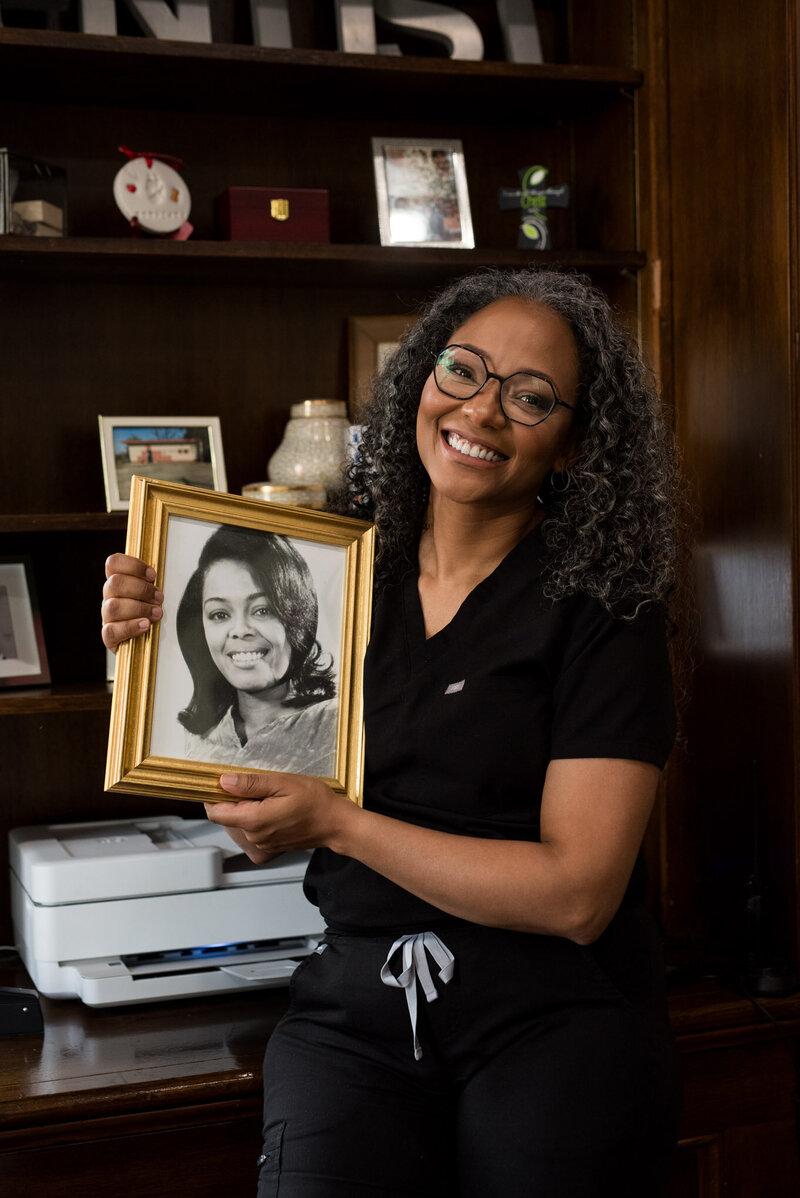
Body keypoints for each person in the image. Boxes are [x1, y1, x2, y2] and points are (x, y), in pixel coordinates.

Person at [101, 267, 684, 1198]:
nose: (482, 411)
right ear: (421, 380)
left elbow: (577, 895)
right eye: (463, 370)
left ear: (576, 445)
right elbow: (247, 785)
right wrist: (142, 644)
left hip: (554, 1017)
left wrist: (338, 825)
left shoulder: (608, 611)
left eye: (530, 397)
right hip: (356, 1009)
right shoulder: (333, 577)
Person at [174, 523, 337, 776]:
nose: (240, 630)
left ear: (297, 618)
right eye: (219, 614)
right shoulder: (199, 737)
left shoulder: (338, 726)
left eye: (263, 610)